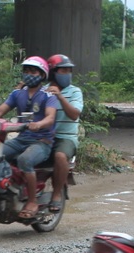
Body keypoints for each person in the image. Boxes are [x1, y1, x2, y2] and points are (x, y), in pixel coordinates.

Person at [0, 56, 59, 219]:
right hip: (22, 139)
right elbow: (0, 111)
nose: (29, 74)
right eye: (26, 71)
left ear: (42, 75)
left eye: (33, 71)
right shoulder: (17, 94)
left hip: (42, 142)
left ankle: (32, 201)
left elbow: (50, 117)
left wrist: (39, 124)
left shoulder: (48, 96)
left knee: (25, 160)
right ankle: (7, 188)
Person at [45, 54, 83, 213]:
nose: (67, 74)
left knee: (60, 156)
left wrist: (60, 97)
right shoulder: (43, 91)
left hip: (65, 138)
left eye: (69, 71)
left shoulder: (75, 92)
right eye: (63, 71)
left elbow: (74, 114)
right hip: (44, 136)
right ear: (53, 73)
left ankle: (56, 195)